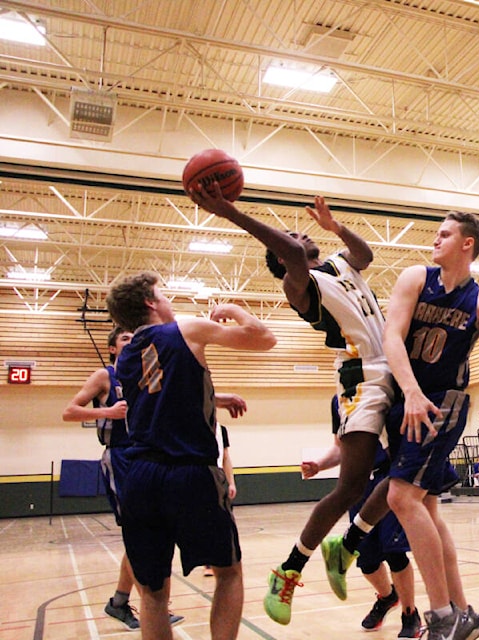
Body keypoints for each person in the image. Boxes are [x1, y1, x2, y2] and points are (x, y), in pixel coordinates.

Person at [189, 187, 394, 623]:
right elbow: (292, 254)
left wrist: (334, 226)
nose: (298, 234)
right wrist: (228, 211)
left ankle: (349, 544)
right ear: (282, 258)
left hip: (394, 368)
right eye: (291, 238)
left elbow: (366, 254)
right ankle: (288, 571)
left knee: (410, 473)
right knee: (351, 486)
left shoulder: (338, 262)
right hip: (362, 378)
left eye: (298, 233)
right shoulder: (297, 285)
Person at [106, 271, 276, 640]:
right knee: (228, 573)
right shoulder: (185, 328)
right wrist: (232, 307)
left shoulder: (127, 356)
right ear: (151, 303)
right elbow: (265, 339)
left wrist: (216, 397)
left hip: (139, 477)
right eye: (162, 294)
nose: (168, 300)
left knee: (151, 593)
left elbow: (161, 391)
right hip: (190, 474)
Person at [382, 210, 479, 639]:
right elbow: (392, 336)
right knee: (425, 507)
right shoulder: (414, 278)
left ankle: (443, 616)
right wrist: (407, 390)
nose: (435, 240)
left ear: (467, 245)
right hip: (407, 397)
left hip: (442, 403)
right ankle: (464, 610)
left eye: (444, 234)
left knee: (401, 499)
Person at [61, 327, 185, 630]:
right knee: (140, 533)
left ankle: (120, 600)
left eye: (134, 338)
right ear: (113, 349)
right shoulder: (104, 376)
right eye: (124, 339)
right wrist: (108, 412)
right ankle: (151, 605)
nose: (131, 342)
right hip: (120, 456)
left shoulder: (146, 375)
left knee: (148, 533)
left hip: (149, 455)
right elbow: (69, 411)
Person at [301, 397, 423, 638]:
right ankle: (388, 597)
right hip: (358, 484)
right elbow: (340, 447)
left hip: (389, 477)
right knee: (366, 559)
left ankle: (410, 613)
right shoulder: (339, 400)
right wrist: (319, 465)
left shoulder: (386, 388)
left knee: (394, 551)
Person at [206, 423, 237, 577]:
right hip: (201, 473)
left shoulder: (221, 429)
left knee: (221, 520)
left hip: (217, 475)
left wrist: (231, 482)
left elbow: (225, 457)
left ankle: (220, 559)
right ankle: (208, 561)